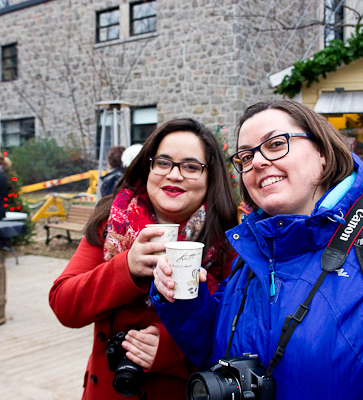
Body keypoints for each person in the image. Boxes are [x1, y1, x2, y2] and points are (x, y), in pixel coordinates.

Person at [152, 100, 363, 399]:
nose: (256, 162)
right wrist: (186, 300)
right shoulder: (251, 256)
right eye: (245, 156)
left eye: (274, 144)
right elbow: (213, 352)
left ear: (323, 151)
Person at [49, 118, 238, 399]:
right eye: (163, 162)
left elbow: (238, 334)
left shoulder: (229, 239)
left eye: (190, 166)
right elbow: (64, 305)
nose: (174, 175)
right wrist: (126, 268)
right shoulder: (112, 224)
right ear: (148, 167)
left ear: (211, 177)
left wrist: (169, 350)